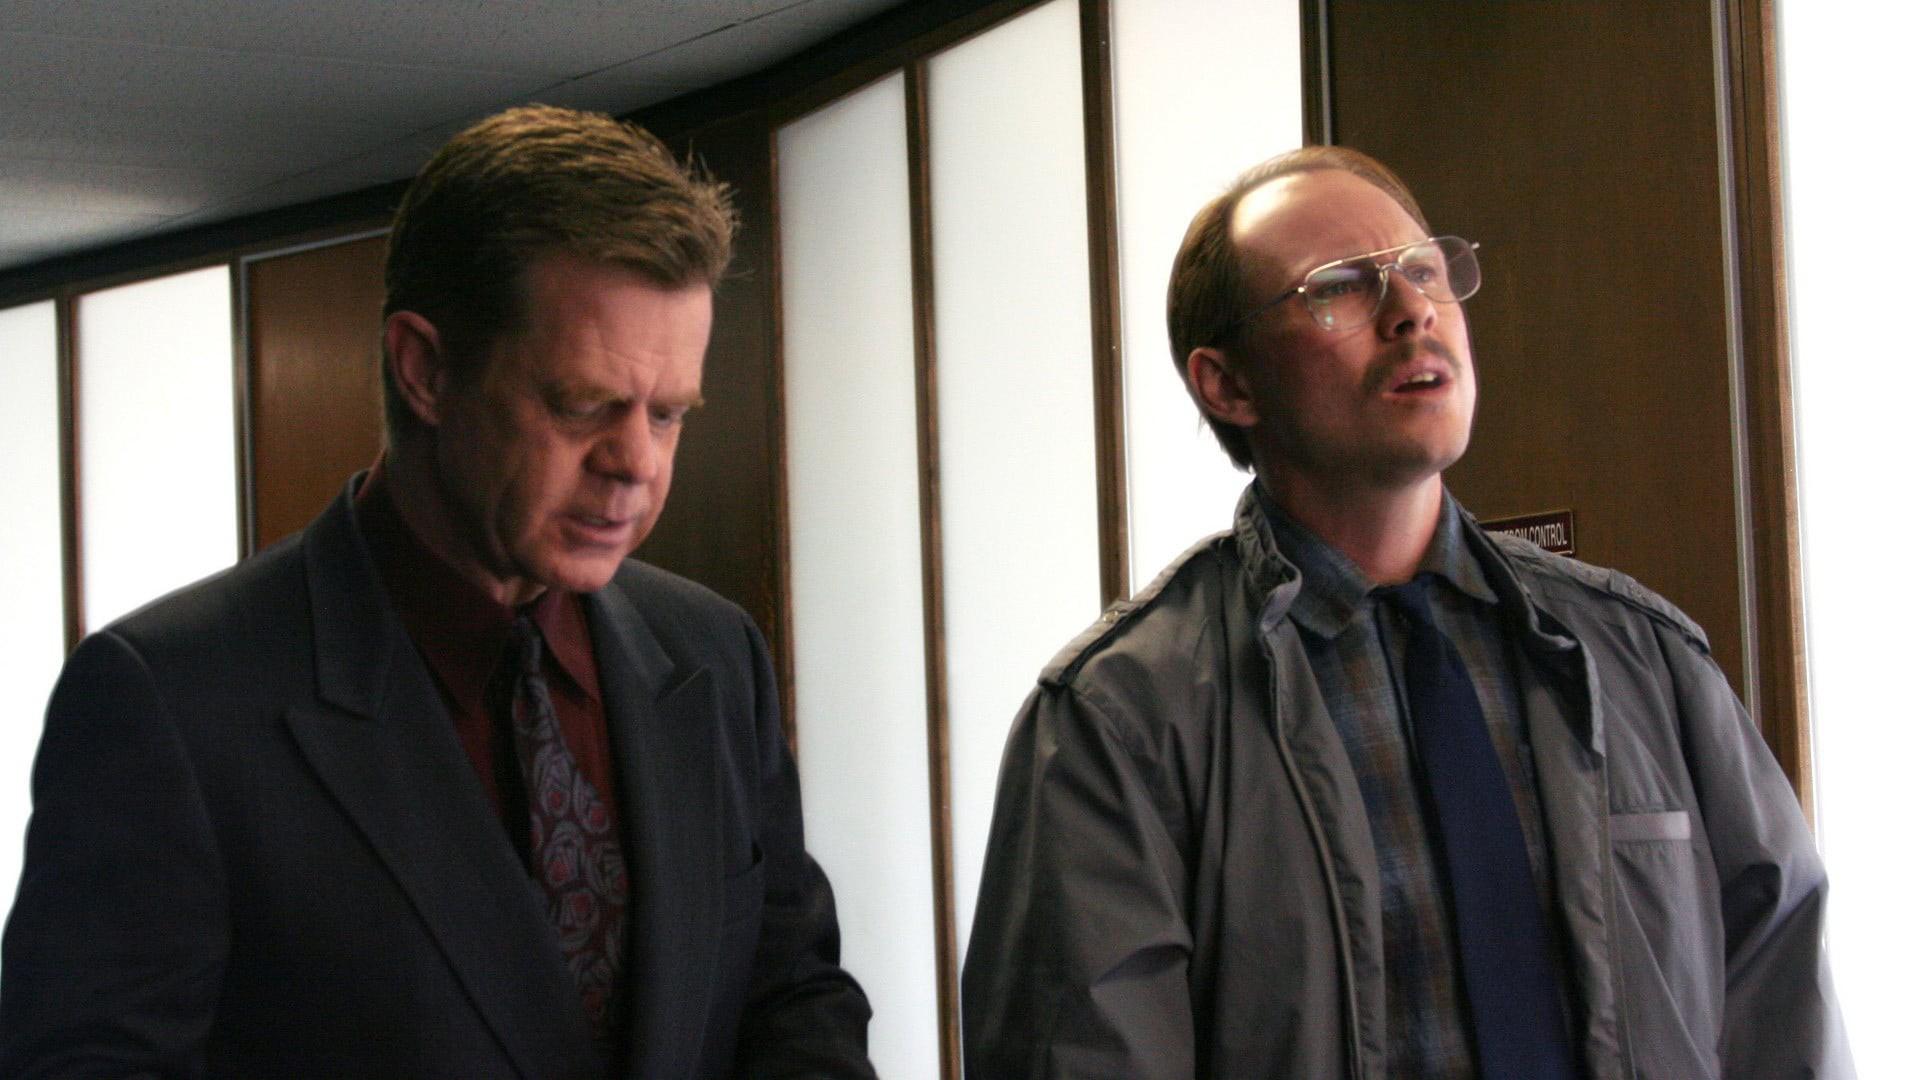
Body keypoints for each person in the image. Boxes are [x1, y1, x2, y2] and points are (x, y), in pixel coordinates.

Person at [1, 105, 875, 1079]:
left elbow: (790, 992)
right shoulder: (173, 703)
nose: (636, 462)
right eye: (583, 404)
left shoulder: (713, 653)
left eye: (668, 414)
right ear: (423, 368)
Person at [961, 146, 1851, 1079]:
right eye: (1338, 287)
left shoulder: (1639, 656)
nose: (1412, 310)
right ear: (1228, 384)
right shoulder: (1121, 718)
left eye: (1424, 270)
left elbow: (1780, 993)